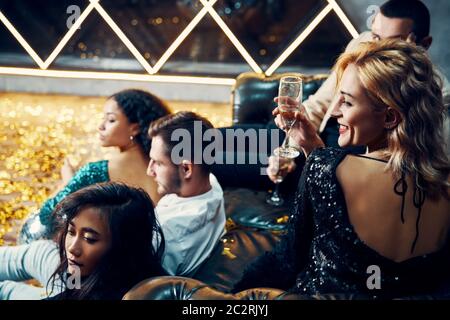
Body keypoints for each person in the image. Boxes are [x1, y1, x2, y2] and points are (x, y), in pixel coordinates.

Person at [233, 40, 450, 298]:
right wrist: (315, 149)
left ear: (390, 117)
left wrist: (231, 296)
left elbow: (286, 261)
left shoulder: (327, 169)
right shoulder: (445, 188)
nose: (334, 111)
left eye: (346, 102)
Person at [268, 0, 450, 184]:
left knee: (241, 163)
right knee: (240, 139)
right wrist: (292, 147)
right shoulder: (361, 46)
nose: (376, 50)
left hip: (333, 161)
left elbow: (421, 163)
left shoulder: (431, 91)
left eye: (393, 43)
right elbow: (320, 103)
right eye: (376, 37)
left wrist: (408, 64)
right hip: (310, 141)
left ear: (423, 44)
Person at [19, 89, 170, 243]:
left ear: (135, 128)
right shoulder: (167, 170)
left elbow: (47, 216)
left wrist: (68, 182)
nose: (101, 126)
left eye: (111, 120)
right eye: (102, 119)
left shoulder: (96, 171)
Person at [0, 182, 167, 300]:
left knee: (5, 290)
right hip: (78, 280)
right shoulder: (147, 268)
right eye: (71, 231)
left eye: (89, 239)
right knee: (38, 251)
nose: (72, 248)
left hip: (74, 289)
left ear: (122, 246)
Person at [147, 111, 226, 276]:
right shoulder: (211, 183)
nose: (150, 171)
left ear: (186, 169)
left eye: (158, 163)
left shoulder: (167, 235)